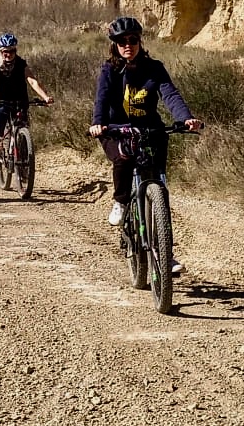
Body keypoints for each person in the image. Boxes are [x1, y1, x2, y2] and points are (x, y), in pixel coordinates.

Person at [87, 16, 203, 275]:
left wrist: (185, 119)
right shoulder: (109, 70)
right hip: (115, 131)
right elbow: (101, 99)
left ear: (140, 41)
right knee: (124, 158)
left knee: (159, 187)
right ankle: (121, 202)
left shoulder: (154, 68)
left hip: (150, 129)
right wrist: (98, 124)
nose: (128, 45)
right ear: (115, 45)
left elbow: (170, 94)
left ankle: (165, 253)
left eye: (133, 40)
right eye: (122, 42)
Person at [0, 32, 53, 157]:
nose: (9, 54)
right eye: (5, 51)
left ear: (15, 50)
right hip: (0, 99)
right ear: (0, 51)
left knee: (23, 122)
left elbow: (32, 81)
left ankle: (24, 155)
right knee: (0, 111)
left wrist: (45, 97)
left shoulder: (20, 63)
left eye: (12, 51)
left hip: (19, 99)